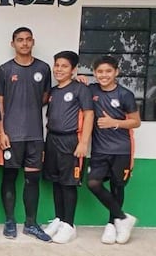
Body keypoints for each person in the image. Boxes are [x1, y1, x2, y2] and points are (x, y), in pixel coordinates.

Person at [0, 27, 52, 241]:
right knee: (9, 177)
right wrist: (1, 132)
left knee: (32, 180)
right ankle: (10, 221)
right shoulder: (4, 70)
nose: (24, 43)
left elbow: (46, 97)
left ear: (33, 42)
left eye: (28, 40)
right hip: (11, 135)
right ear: (13, 44)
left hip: (35, 135)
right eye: (20, 40)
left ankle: (31, 223)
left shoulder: (44, 69)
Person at [40, 51, 94, 244]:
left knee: (69, 183)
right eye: (57, 65)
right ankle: (59, 218)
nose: (59, 69)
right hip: (53, 140)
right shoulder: (54, 92)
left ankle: (69, 225)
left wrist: (83, 143)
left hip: (71, 141)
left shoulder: (81, 89)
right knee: (56, 181)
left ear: (73, 69)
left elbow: (89, 115)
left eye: (64, 66)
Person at [87, 55, 141, 244]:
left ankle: (112, 224)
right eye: (100, 71)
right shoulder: (91, 90)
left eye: (108, 71)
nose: (104, 75)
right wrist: (80, 78)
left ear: (116, 72)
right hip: (100, 150)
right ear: (94, 73)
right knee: (93, 183)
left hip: (121, 150)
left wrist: (114, 123)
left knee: (117, 187)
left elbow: (136, 122)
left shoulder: (125, 94)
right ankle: (124, 218)